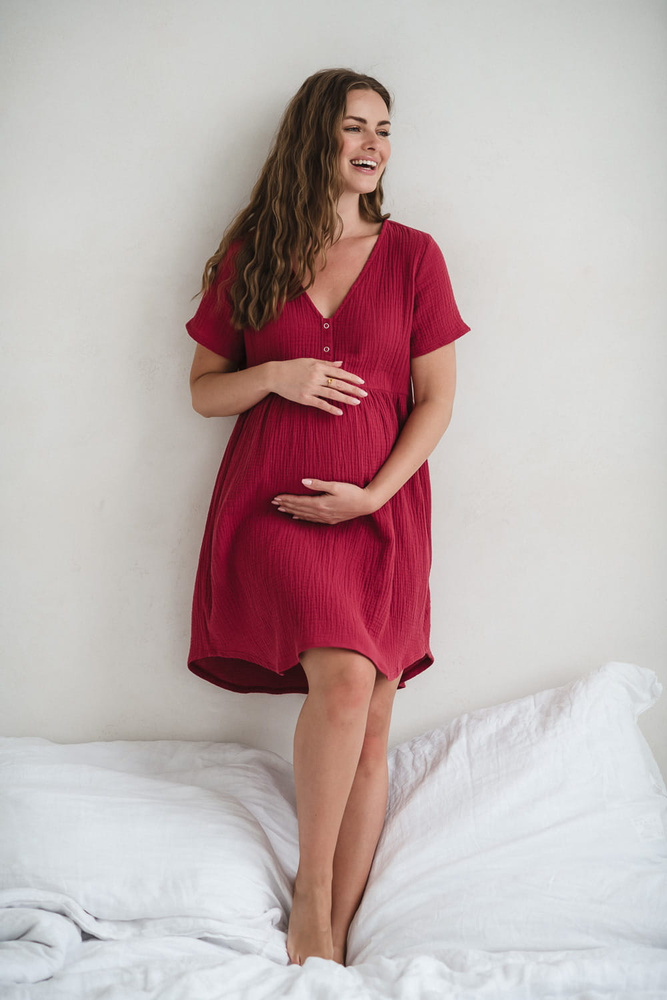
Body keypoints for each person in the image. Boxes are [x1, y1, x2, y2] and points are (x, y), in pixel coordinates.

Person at [185, 68, 470, 966]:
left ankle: (336, 938)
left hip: (383, 511)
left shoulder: (414, 255)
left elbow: (436, 399)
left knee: (372, 715)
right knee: (345, 684)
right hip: (275, 505)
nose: (373, 144)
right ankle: (309, 902)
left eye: (384, 129)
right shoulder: (256, 254)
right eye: (354, 126)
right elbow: (203, 392)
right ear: (315, 136)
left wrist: (375, 495)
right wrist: (276, 374)